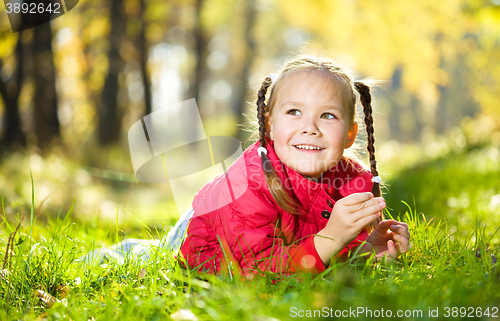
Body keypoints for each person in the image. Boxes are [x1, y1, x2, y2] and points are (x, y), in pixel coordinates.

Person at [178, 55, 411, 276]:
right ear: (269, 124)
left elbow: (332, 261)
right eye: (294, 111)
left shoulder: (353, 182)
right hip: (201, 232)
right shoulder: (248, 183)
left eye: (328, 115)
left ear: (350, 133)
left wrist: (366, 252)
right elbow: (254, 272)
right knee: (148, 250)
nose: (310, 127)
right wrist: (329, 238)